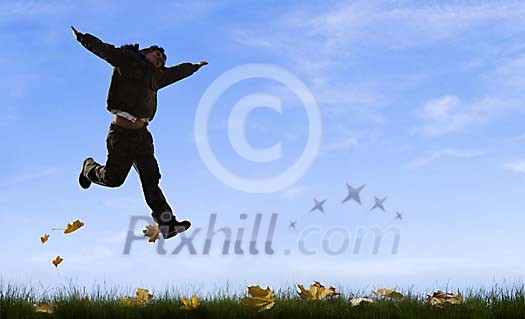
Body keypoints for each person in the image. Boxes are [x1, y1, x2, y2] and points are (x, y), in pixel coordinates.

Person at [71, 26, 207, 239]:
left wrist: (194, 67)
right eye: (157, 55)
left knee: (151, 179)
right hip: (121, 135)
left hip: (143, 138)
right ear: (144, 52)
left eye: (162, 59)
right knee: (114, 179)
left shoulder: (157, 77)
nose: (160, 60)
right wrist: (83, 38)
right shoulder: (126, 61)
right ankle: (89, 167)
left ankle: (167, 224)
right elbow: (104, 50)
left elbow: (176, 73)